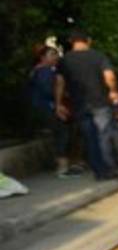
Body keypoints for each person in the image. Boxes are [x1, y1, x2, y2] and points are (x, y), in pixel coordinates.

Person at [56, 30, 118, 180]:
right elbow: (109, 76)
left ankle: (98, 171)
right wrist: (113, 91)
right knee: (103, 135)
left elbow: (60, 82)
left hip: (79, 103)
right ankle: (109, 169)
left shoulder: (65, 60)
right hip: (100, 101)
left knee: (90, 137)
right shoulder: (98, 56)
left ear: (72, 42)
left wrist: (59, 103)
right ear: (88, 40)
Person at [28, 46, 78, 177]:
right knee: (62, 133)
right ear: (42, 57)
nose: (55, 57)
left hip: (45, 107)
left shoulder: (41, 71)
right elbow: (48, 90)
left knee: (61, 133)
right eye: (52, 54)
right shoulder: (44, 71)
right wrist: (60, 101)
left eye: (56, 54)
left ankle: (64, 164)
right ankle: (62, 167)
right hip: (47, 107)